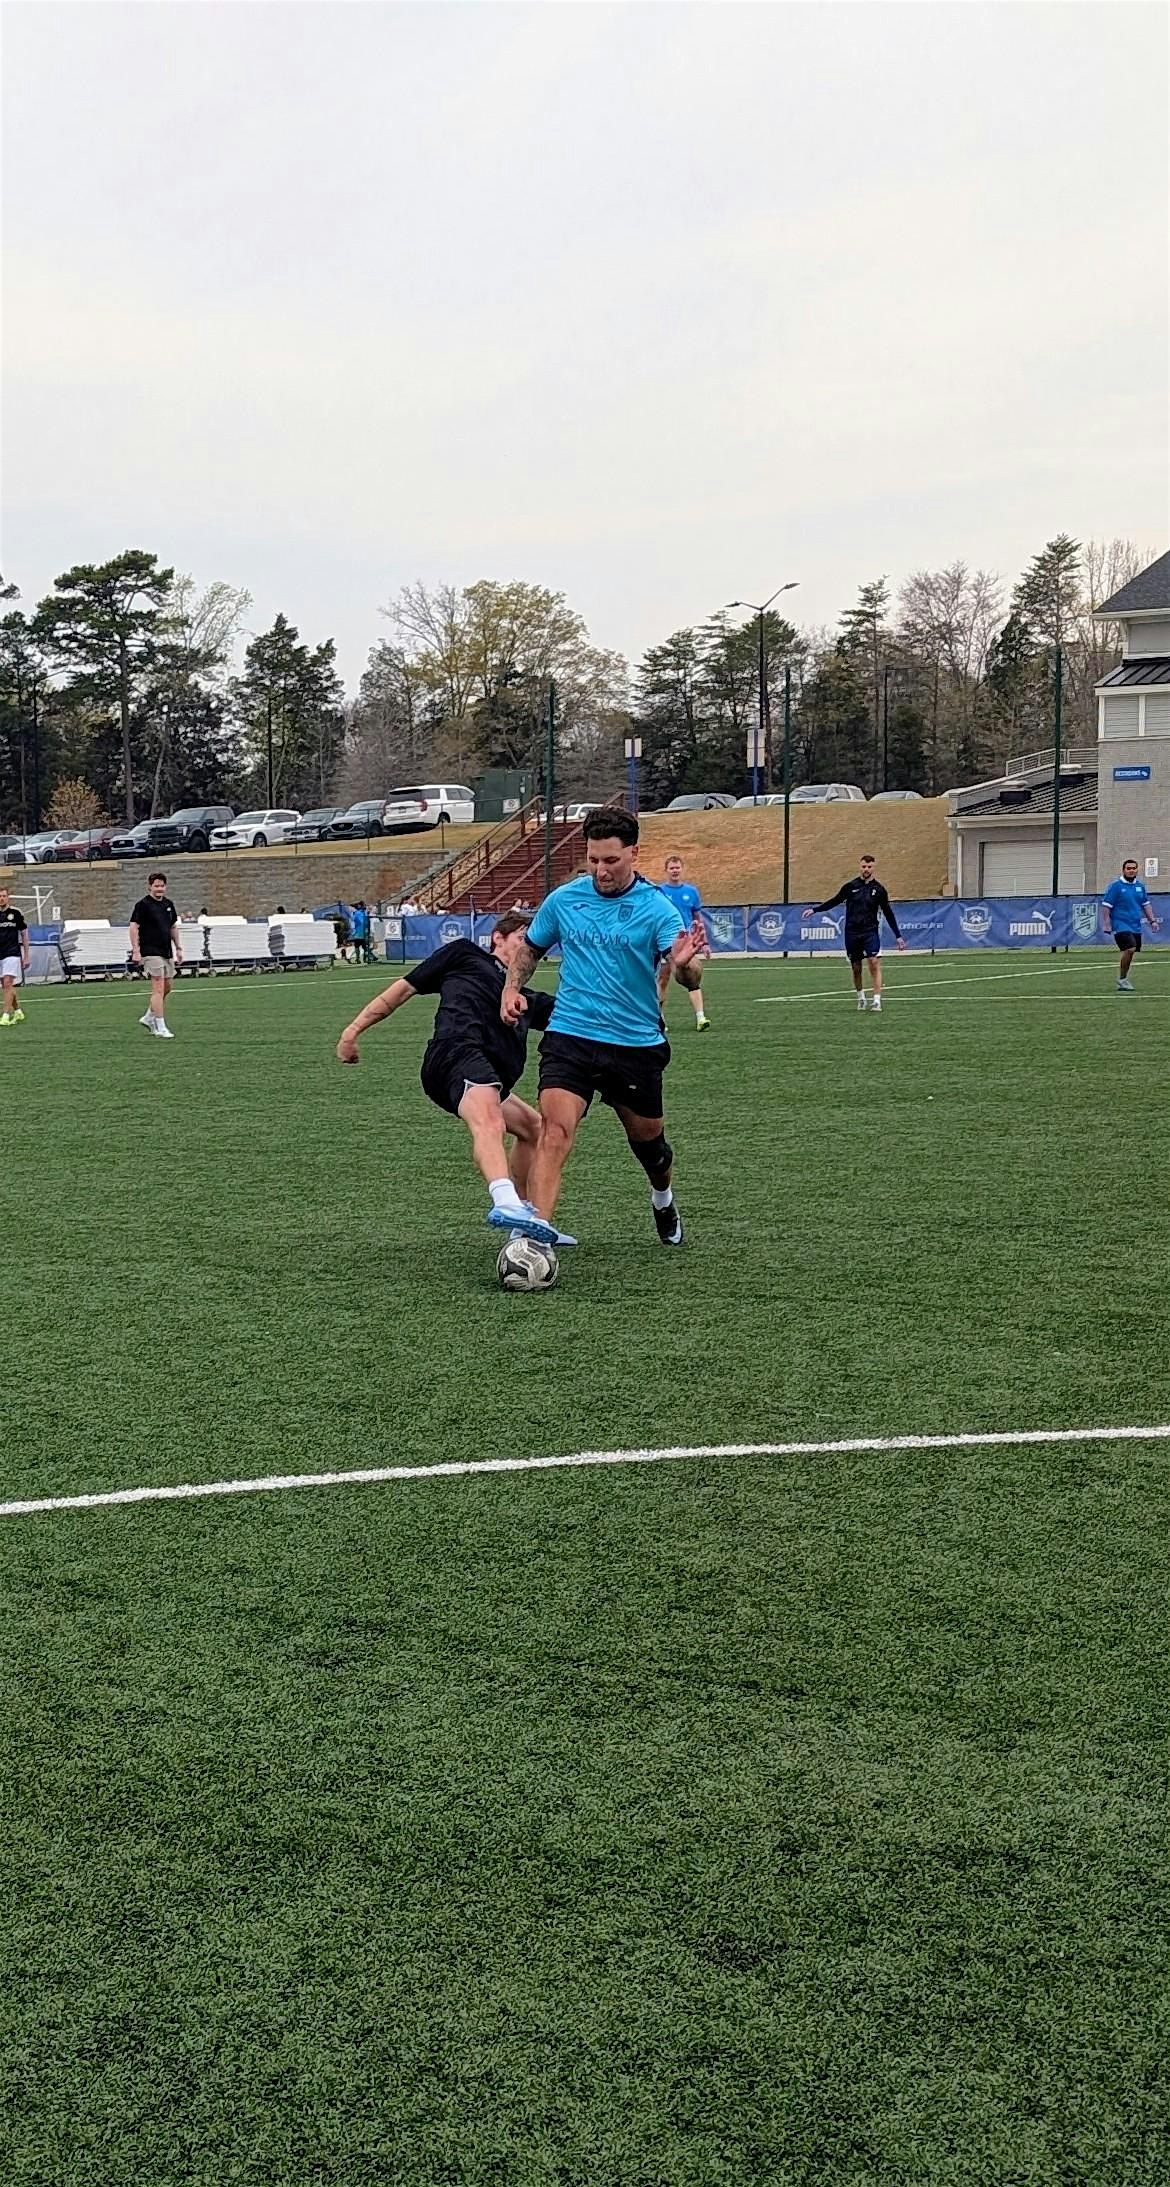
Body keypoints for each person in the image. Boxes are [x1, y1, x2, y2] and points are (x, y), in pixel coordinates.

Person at [500, 805, 707, 1245]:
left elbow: (687, 974)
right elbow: (530, 949)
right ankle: (533, 1237)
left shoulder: (657, 908)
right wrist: (510, 988)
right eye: (593, 859)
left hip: (634, 1044)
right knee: (554, 1131)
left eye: (611, 860)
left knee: (650, 1148)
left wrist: (685, 966)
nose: (601, 870)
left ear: (634, 853)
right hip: (570, 1035)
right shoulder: (565, 900)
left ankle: (663, 1198)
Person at [336, 912, 573, 1248]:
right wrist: (352, 1031)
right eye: (522, 938)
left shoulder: (527, 1000)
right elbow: (401, 991)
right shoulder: (464, 954)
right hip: (453, 1056)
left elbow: (580, 1017)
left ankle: (526, 1220)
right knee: (489, 1119)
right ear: (498, 938)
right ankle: (505, 1200)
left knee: (534, 1128)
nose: (527, 948)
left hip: (488, 1079)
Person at [805, 853, 907, 1010]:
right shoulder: (850, 887)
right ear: (860, 867)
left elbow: (888, 913)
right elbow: (835, 901)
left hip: (870, 931)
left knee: (873, 961)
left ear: (873, 867)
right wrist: (815, 910)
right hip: (852, 932)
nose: (866, 869)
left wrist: (898, 936)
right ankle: (861, 997)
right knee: (856, 967)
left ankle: (877, 1000)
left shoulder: (879, 889)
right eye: (864, 866)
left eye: (869, 866)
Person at [657, 853, 711, 1030]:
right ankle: (659, 1019)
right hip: (666, 942)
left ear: (682, 869)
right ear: (666, 870)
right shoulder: (660, 892)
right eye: (671, 868)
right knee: (663, 979)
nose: (675, 871)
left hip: (687, 943)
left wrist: (704, 943)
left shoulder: (691, 892)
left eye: (677, 867)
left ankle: (700, 1017)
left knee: (692, 977)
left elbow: (697, 918)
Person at [129, 871, 182, 1037]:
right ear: (150, 887)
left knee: (167, 987)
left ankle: (149, 1017)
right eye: (156, 886)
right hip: (150, 951)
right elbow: (133, 927)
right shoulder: (143, 905)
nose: (159, 889)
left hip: (166, 951)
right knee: (158, 989)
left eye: (162, 886)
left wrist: (178, 948)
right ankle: (160, 1026)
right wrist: (136, 950)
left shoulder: (168, 904)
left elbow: (173, 927)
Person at [1101, 858, 1159, 990]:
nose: (1131, 870)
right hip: (1120, 924)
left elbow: (1146, 904)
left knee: (1131, 951)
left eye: (1134, 868)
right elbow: (1106, 905)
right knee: (1130, 948)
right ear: (1123, 870)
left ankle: (1123, 979)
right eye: (1128, 868)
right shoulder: (1116, 886)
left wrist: (1153, 921)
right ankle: (1122, 980)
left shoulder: (1140, 886)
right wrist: (1107, 924)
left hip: (1135, 925)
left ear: (1137, 870)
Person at [0, 884, 30, 1025]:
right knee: (6, 985)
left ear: (8, 897)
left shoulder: (15, 913)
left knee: (8, 982)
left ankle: (5, 1015)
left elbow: (24, 934)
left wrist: (26, 956)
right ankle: (18, 1011)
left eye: (4, 896)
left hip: (12, 953)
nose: (1, 898)